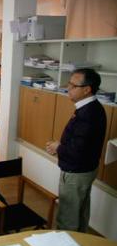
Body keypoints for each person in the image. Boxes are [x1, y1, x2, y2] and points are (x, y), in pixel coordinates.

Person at [46, 68, 106, 233]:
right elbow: (81, 141)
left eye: (73, 85)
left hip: (76, 172)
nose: (68, 88)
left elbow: (77, 151)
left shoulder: (88, 114)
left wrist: (59, 147)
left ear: (87, 89)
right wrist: (60, 144)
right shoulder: (90, 107)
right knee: (80, 213)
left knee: (67, 218)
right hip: (85, 169)